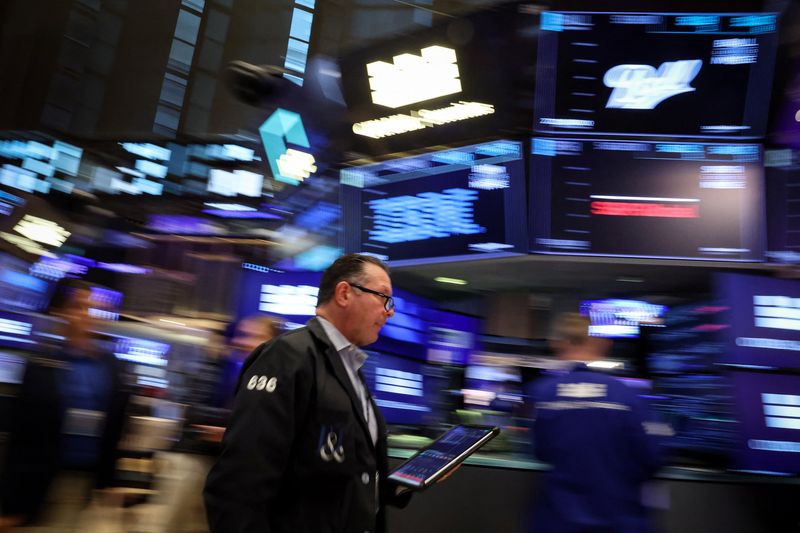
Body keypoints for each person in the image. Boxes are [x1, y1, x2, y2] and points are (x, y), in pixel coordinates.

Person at [204, 254, 410, 533]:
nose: (390, 311)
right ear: (344, 293)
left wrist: (403, 482)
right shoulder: (287, 356)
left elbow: (342, 473)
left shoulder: (349, 366)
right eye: (383, 297)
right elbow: (240, 481)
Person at [0, 279, 129, 531]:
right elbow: (21, 436)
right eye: (78, 307)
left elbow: (115, 428)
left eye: (90, 307)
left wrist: (110, 481)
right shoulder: (41, 366)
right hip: (43, 482)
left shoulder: (110, 366)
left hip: (87, 484)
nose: (86, 315)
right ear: (61, 313)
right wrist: (11, 505)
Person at [528, 313, 668, 533]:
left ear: (558, 343)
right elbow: (653, 456)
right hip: (618, 517)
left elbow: (539, 451)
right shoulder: (627, 395)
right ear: (603, 344)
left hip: (559, 518)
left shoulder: (543, 393)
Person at [145, 315, 281, 533]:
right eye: (243, 335)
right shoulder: (222, 367)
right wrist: (232, 428)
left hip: (229, 466)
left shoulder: (271, 377)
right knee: (169, 524)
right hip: (193, 457)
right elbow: (196, 411)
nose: (244, 341)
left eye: (255, 336)